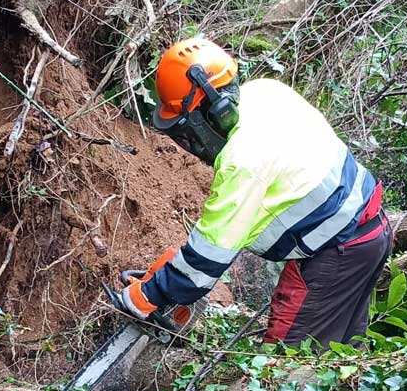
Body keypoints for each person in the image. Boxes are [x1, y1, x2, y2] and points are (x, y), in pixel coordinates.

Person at [109, 37, 392, 347]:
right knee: (338, 353)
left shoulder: (242, 160)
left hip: (338, 252)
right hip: (367, 232)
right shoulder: (266, 92)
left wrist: (149, 295)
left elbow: (210, 256)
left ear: (216, 111)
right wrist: (172, 272)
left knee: (283, 366)